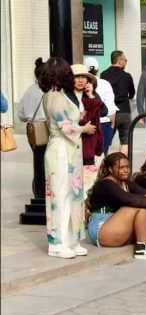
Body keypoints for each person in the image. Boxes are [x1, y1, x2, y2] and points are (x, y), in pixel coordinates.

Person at [38, 57, 96, 258]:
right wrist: (84, 127)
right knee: (61, 195)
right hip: (62, 150)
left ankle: (71, 240)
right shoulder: (57, 97)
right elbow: (67, 128)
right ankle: (58, 243)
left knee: (72, 194)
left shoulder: (53, 95)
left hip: (67, 150)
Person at [86, 152, 146, 259]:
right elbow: (129, 199)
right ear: (110, 170)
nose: (126, 170)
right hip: (101, 230)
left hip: (118, 227)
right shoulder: (106, 184)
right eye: (121, 167)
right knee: (139, 204)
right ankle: (141, 249)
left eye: (127, 167)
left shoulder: (125, 183)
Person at [69, 63, 107, 196]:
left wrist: (91, 95)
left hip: (90, 144)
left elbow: (104, 111)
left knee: (89, 182)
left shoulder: (91, 95)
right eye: (77, 77)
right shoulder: (67, 96)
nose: (80, 80)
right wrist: (82, 128)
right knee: (74, 182)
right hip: (72, 142)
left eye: (83, 77)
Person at [17, 58, 49, 199]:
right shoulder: (48, 91)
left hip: (31, 128)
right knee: (45, 162)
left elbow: (20, 114)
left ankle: (38, 192)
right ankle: (43, 193)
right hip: (44, 128)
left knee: (38, 160)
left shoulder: (29, 90)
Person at [101, 50, 136, 155]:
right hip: (124, 112)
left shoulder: (103, 75)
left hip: (109, 113)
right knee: (125, 142)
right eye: (125, 60)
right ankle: (122, 165)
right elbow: (132, 93)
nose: (126, 62)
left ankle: (104, 166)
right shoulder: (127, 76)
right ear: (120, 61)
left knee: (105, 141)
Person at [84, 57, 118, 154]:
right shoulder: (105, 83)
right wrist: (112, 122)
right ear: (97, 70)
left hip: (87, 124)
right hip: (104, 123)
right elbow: (111, 106)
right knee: (102, 157)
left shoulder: (82, 85)